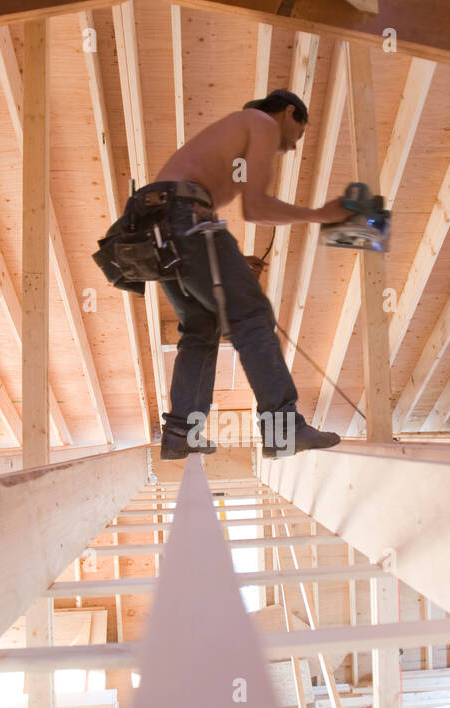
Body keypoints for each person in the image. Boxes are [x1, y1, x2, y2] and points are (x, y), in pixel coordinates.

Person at [105, 89, 353, 460]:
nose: (292, 147)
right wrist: (320, 214)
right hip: (182, 217)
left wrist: (226, 265)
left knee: (201, 328)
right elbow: (255, 207)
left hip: (154, 228)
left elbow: (243, 209)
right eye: (296, 136)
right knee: (252, 317)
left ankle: (179, 434)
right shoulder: (262, 123)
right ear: (288, 113)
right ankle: (283, 430)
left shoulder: (237, 129)